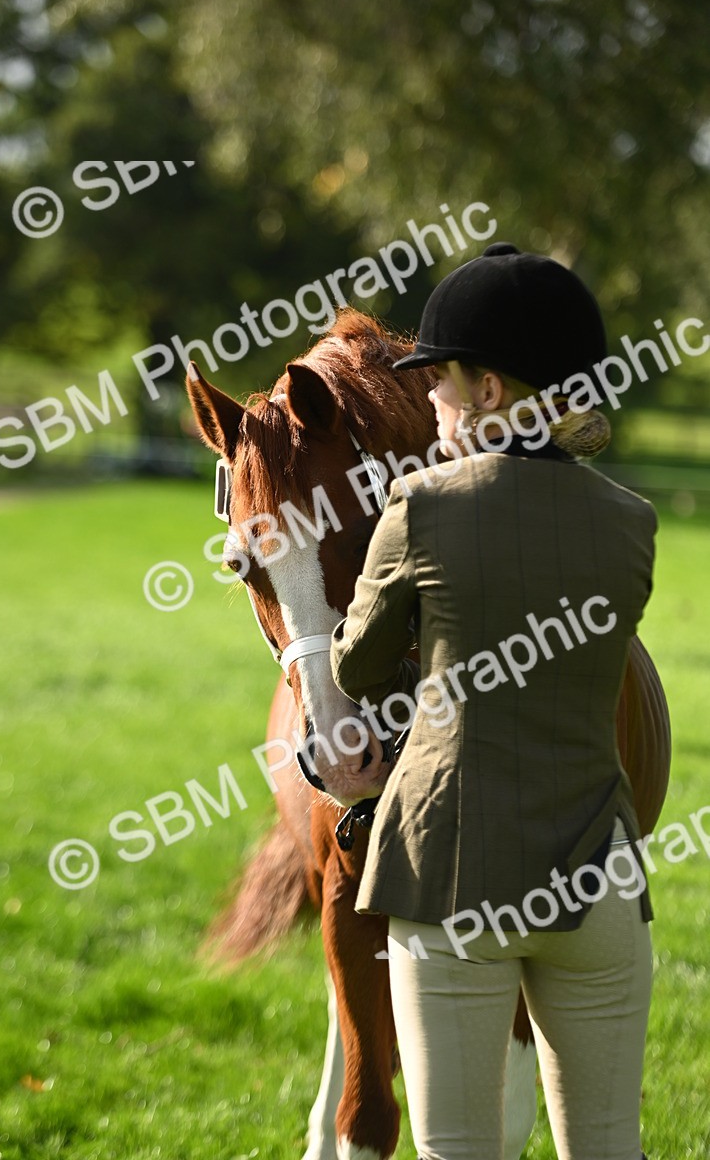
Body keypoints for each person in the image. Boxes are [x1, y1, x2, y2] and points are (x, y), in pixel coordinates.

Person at [330, 242, 656, 1160]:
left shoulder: (421, 504)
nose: (426, 396)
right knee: (609, 1147)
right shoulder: (635, 521)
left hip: (454, 881)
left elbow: (355, 670)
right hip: (601, 877)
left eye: (439, 378)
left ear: (488, 390)